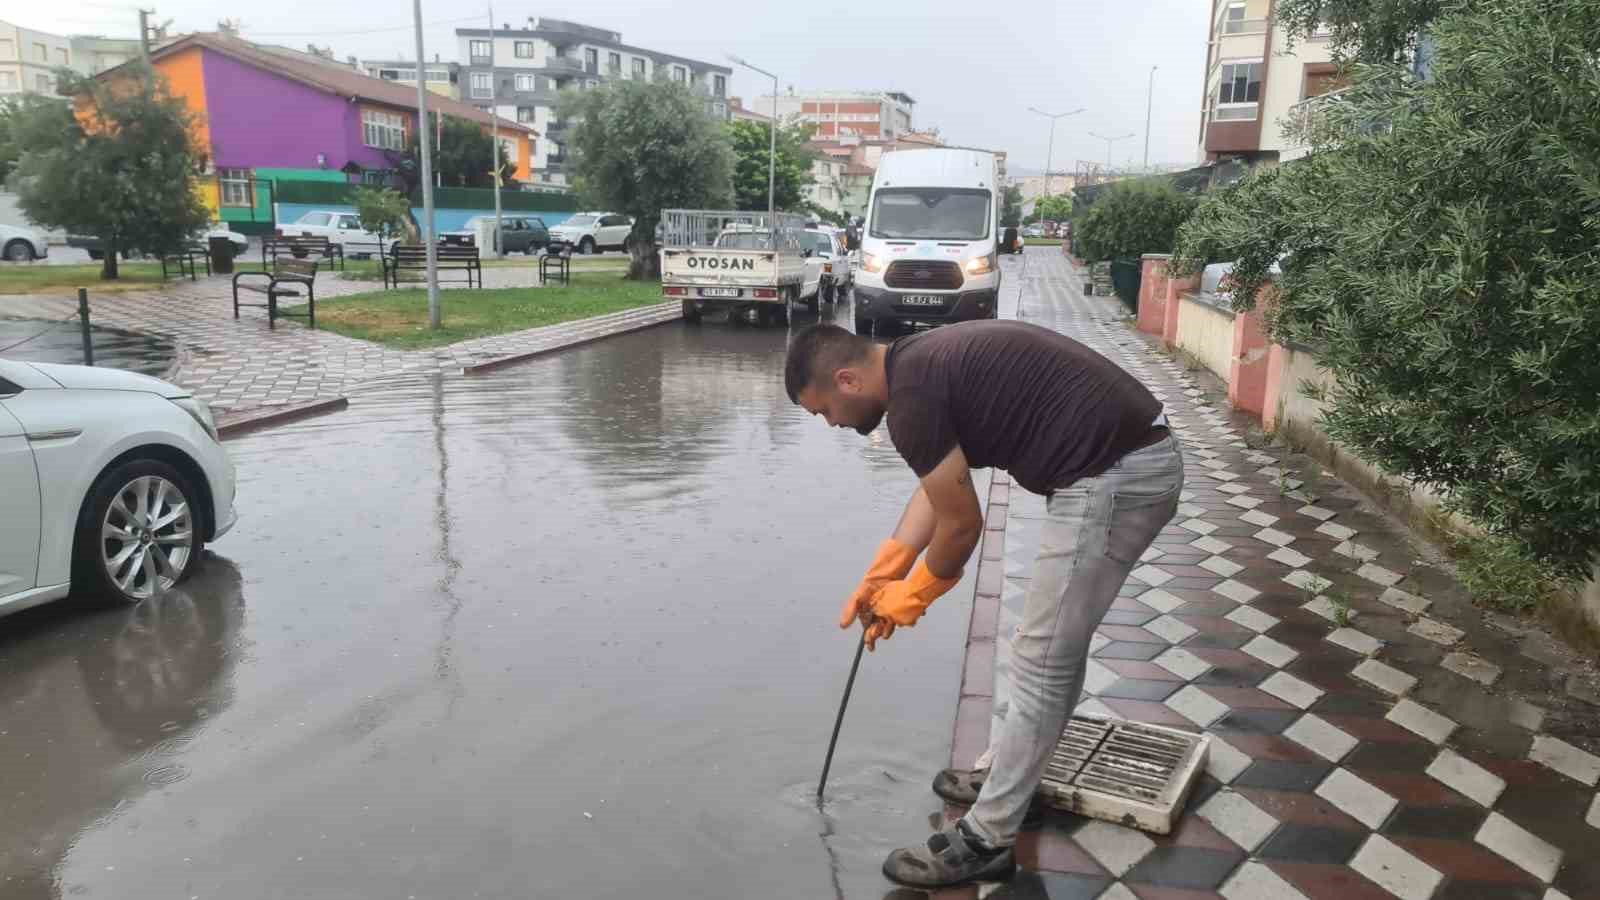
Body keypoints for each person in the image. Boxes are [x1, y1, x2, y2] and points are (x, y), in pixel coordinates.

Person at [784, 321, 1183, 889]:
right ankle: (1011, 778)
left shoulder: (912, 403)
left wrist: (915, 594)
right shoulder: (914, 367)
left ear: (846, 379)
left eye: (825, 410)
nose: (834, 424)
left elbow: (962, 524)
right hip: (1121, 461)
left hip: (1118, 474)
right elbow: (936, 488)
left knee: (1044, 656)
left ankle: (986, 839)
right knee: (1049, 650)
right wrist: (886, 571)